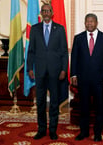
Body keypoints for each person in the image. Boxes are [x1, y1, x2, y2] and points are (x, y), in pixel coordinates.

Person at [27, 3, 68, 140]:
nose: (45, 13)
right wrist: (29, 68)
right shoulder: (34, 29)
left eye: (48, 11)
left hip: (55, 71)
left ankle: (53, 130)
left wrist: (64, 69)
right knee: (40, 102)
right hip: (39, 71)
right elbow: (31, 51)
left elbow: (63, 52)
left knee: (54, 102)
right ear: (41, 13)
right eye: (43, 11)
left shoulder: (60, 29)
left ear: (52, 13)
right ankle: (41, 129)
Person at [71, 13, 103, 142]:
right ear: (85, 23)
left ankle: (98, 133)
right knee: (84, 107)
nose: (89, 23)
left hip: (99, 80)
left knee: (99, 108)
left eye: (92, 21)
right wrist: (73, 74)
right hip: (83, 80)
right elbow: (74, 58)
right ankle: (83, 132)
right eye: (87, 21)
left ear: (96, 23)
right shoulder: (78, 38)